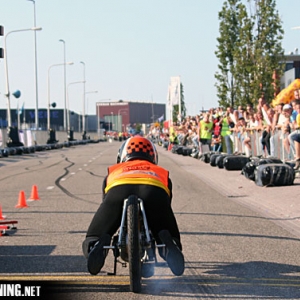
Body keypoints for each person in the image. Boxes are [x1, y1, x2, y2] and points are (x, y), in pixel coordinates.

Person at [82, 136, 185, 277]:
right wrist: (160, 225)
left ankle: (98, 244)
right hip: (153, 190)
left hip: (118, 190)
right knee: (166, 228)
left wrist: (109, 225)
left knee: (93, 236)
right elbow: (167, 202)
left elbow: (105, 199)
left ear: (123, 155)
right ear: (153, 155)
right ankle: (167, 244)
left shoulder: (113, 170)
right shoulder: (161, 172)